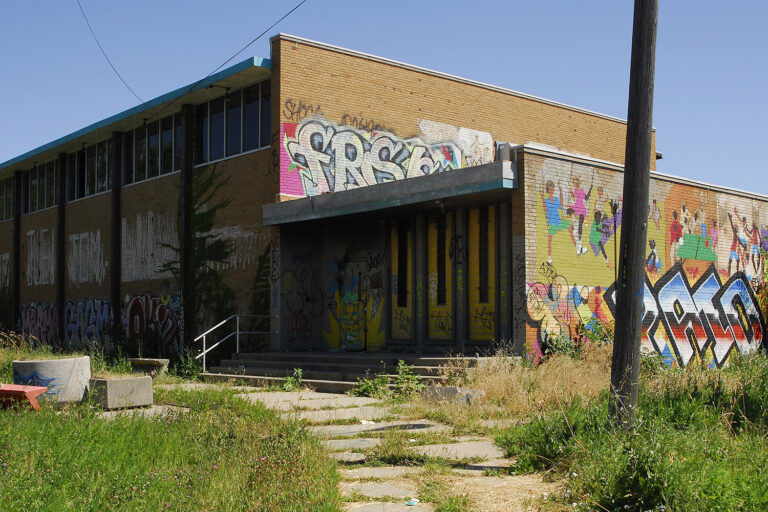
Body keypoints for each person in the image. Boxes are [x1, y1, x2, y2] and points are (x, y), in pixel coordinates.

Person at [541, 180, 575, 265]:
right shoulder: (547, 200)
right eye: (550, 190)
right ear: (547, 191)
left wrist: (561, 192)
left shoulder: (556, 199)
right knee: (550, 240)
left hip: (558, 221)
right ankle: (549, 258)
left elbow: (560, 205)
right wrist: (541, 196)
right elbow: (545, 209)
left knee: (569, 226)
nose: (551, 191)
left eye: (552, 189)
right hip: (552, 223)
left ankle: (577, 246)